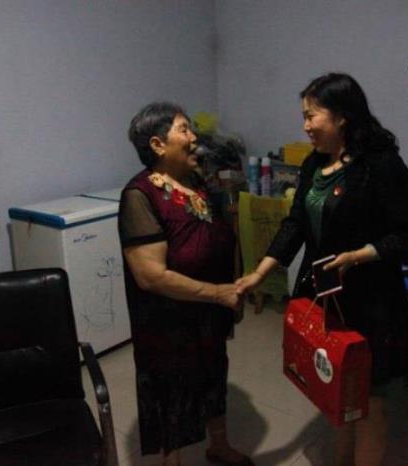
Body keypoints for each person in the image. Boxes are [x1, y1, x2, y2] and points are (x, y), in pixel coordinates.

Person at [236, 72, 408, 466]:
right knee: (335, 386)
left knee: (369, 398)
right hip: (324, 296)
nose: (305, 126)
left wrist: (357, 256)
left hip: (370, 300)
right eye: (303, 116)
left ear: (342, 116)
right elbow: (295, 225)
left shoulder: (381, 165)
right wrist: (260, 272)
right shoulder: (313, 164)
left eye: (311, 115)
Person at [119, 102, 253, 466]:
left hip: (208, 312)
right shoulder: (139, 196)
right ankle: (172, 460)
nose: (194, 137)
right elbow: (150, 276)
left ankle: (218, 445)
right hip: (168, 320)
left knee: (214, 374)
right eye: (183, 129)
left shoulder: (195, 181)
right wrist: (218, 293)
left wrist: (232, 288)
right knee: (173, 389)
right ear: (158, 144)